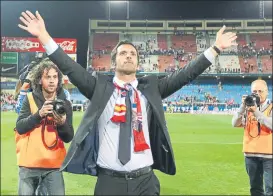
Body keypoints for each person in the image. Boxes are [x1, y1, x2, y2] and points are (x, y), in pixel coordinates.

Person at [18, 10, 237, 195]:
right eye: (123, 53)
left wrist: (215, 48)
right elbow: (68, 66)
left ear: (138, 62)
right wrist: (44, 36)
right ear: (114, 62)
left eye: (133, 53)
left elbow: (185, 74)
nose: (129, 56)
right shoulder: (98, 88)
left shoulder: (151, 88)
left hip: (145, 181)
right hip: (108, 182)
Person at [15, 58, 74, 195]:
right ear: (40, 80)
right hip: (29, 164)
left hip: (53, 165)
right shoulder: (29, 99)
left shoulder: (65, 104)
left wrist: (62, 124)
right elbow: (20, 127)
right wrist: (39, 114)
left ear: (59, 80)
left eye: (55, 77)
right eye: (48, 77)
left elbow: (68, 137)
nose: (52, 81)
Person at [232, 79, 272, 196]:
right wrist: (242, 107)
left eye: (260, 91)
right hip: (250, 155)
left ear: (267, 92)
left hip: (269, 156)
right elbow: (234, 123)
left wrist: (256, 112)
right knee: (255, 189)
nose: (257, 94)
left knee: (270, 189)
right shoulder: (247, 108)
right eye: (255, 91)